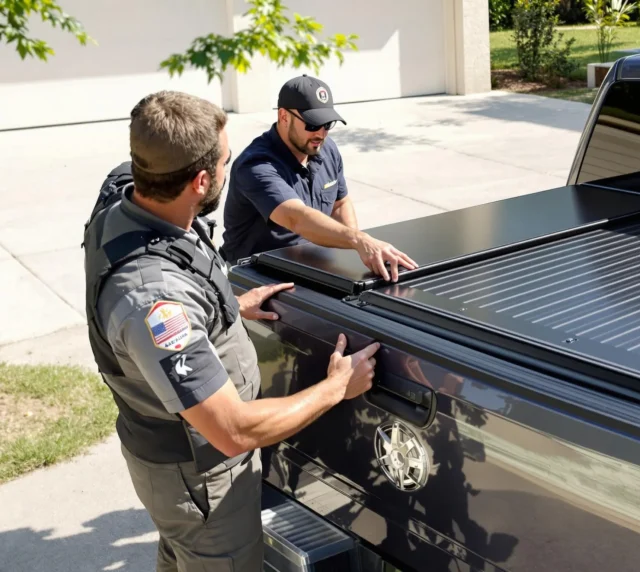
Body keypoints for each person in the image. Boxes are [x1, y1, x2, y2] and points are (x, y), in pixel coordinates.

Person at [82, 90, 380, 571]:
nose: (231, 167)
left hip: (180, 471)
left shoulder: (133, 194)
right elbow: (233, 431)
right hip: (199, 475)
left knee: (183, 556)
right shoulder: (154, 302)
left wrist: (225, 309)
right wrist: (336, 388)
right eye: (225, 160)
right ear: (201, 181)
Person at [221, 74, 417, 281]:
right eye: (312, 125)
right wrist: (359, 240)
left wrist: (356, 249)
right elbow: (296, 218)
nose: (321, 134)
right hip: (254, 276)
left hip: (310, 266)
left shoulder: (326, 149)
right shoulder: (256, 165)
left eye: (327, 124)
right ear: (284, 116)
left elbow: (340, 204)